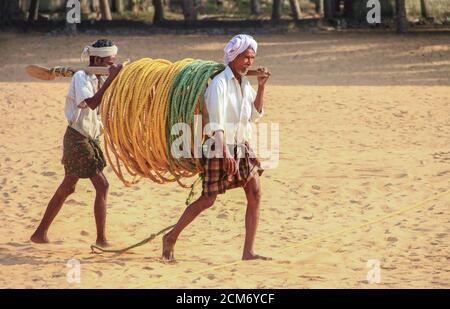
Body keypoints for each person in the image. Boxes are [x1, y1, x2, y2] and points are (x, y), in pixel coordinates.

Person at [162, 34, 271, 261]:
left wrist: (261, 88)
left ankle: (248, 252)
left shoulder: (244, 83)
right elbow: (216, 124)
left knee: (255, 193)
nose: (249, 63)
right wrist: (224, 154)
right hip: (219, 147)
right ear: (233, 57)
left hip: (241, 146)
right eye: (245, 58)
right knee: (208, 199)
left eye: (252, 58)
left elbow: (255, 114)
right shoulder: (220, 84)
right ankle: (171, 237)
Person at [30, 39, 122, 246]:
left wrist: (111, 78)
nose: (112, 66)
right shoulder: (81, 77)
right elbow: (91, 103)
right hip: (77, 139)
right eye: (110, 62)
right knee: (102, 185)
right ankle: (101, 239)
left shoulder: (97, 78)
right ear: (97, 59)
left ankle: (39, 234)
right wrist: (111, 78)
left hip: (89, 139)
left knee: (68, 187)